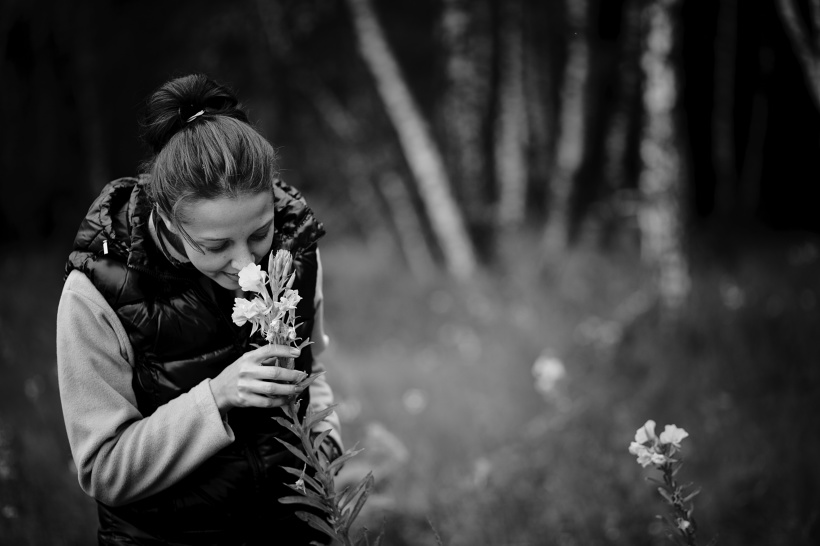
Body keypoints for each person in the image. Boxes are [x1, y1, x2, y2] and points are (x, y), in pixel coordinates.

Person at [56, 74, 343, 545]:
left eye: (259, 233)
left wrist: (326, 448)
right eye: (215, 246)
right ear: (168, 219)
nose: (246, 265)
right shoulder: (95, 293)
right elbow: (104, 470)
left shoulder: (294, 244)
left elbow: (314, 370)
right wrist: (217, 397)